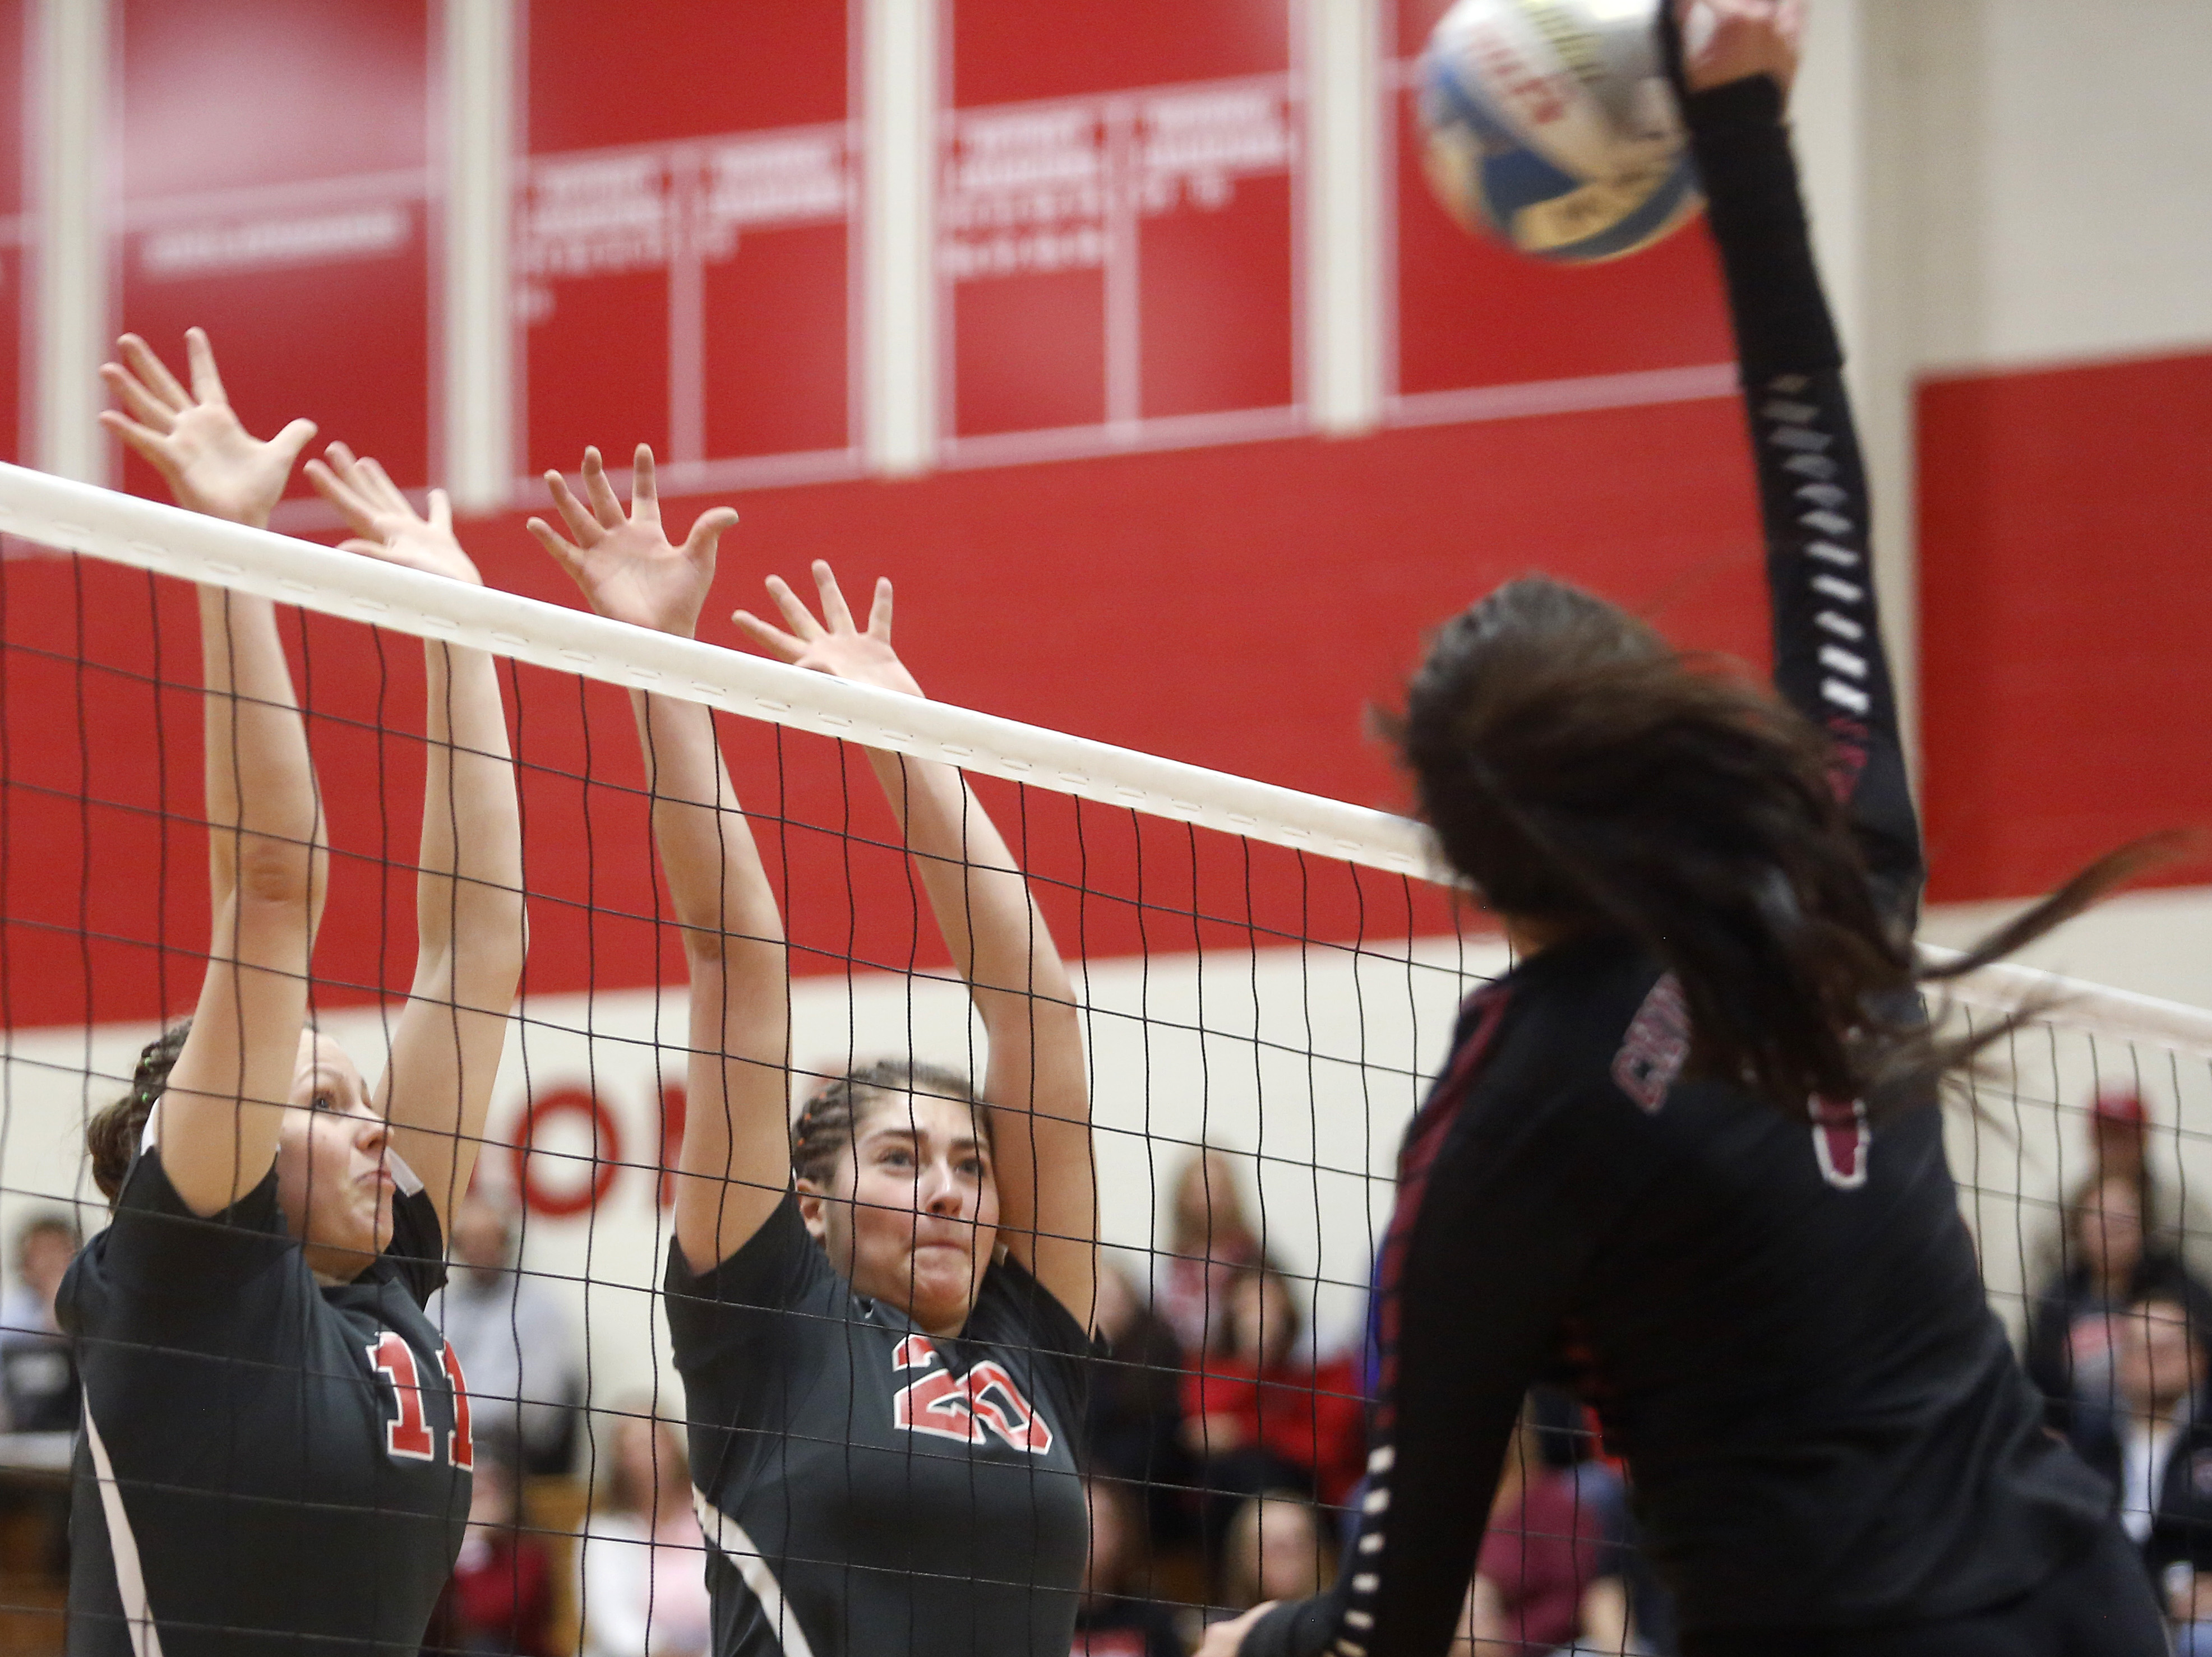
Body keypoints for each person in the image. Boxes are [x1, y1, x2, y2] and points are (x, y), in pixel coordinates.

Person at [1205, 6, 2172, 1654]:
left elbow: (1390, 1612)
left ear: (1459, 856)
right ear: (1659, 727)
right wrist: (1740, 127)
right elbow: (1817, 487)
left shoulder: (1504, 1116)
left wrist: (1251, 1641)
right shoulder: (1825, 851)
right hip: (2082, 1604)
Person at [527, 446, 1097, 1656]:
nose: (947, 1184)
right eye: (899, 1158)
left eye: (967, 1163)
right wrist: (658, 656)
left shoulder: (1034, 1337)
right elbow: (739, 959)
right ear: (812, 1203)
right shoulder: (767, 1314)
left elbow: (1037, 1010)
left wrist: (901, 731)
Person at [62, 330, 526, 1655]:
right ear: (218, 1142)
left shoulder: (387, 1277)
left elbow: (479, 943)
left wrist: (462, 629)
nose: (377, 1125)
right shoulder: (193, 1266)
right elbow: (272, 888)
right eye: (323, 1099)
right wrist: (236, 554)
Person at [1183, 1263, 1365, 1533]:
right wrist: (1253, 1360)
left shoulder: (1325, 1365)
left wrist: (1249, 1431)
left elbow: (1328, 1448)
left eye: (1267, 1302)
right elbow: (1206, 1431)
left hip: (1316, 1489)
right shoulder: (1212, 1365)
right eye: (1246, 1305)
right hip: (1234, 1486)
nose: (1259, 1315)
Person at [2081, 1290, 2212, 1645]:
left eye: (2170, 1345)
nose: (2157, 1357)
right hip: (2101, 1606)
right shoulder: (2089, 1446)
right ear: (2121, 1364)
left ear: (2198, 1358)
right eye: (2143, 1346)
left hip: (2196, 1621)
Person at [1449, 1404, 1631, 1657]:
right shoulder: (1447, 1509)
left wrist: (1507, 1642)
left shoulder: (1549, 1500)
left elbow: (1576, 1597)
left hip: (1549, 1649)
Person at [431, 1190, 587, 1475]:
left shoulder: (539, 1308)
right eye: (470, 1241)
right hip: (445, 1440)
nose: (479, 1250)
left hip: (512, 1451)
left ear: (507, 1242)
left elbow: (538, 1403)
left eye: (488, 1239)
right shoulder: (438, 1307)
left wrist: (465, 1417)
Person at [574, 1406, 714, 1657]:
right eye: (637, 1446)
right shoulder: (603, 1530)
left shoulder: (712, 1520)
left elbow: (733, 1607)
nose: (651, 1455)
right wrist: (663, 1652)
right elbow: (610, 1617)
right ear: (619, 1460)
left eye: (658, 1441)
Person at [423, 1434, 558, 1657]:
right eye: (468, 1490)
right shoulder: (431, 1551)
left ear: (509, 1497)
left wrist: (470, 1544)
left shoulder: (528, 1553)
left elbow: (483, 1615)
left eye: (485, 1491)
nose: (474, 1500)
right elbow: (431, 1618)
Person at [1157, 1147, 1260, 1355]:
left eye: (1216, 1189)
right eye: (1198, 1190)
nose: (1208, 1199)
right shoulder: (1168, 1264)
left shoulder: (1255, 1259)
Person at [1071, 1478, 1183, 1657]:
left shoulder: (1151, 1616)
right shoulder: (1036, 1614)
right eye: (1081, 1517)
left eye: (1103, 1519)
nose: (1093, 1530)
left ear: (1122, 1530)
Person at [0, 1212, 81, 1433]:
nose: (51, 1261)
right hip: (20, 1438)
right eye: (42, 1252)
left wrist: (59, 1299)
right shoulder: (11, 1310)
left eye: (59, 1250)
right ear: (24, 1264)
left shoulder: (95, 1304)